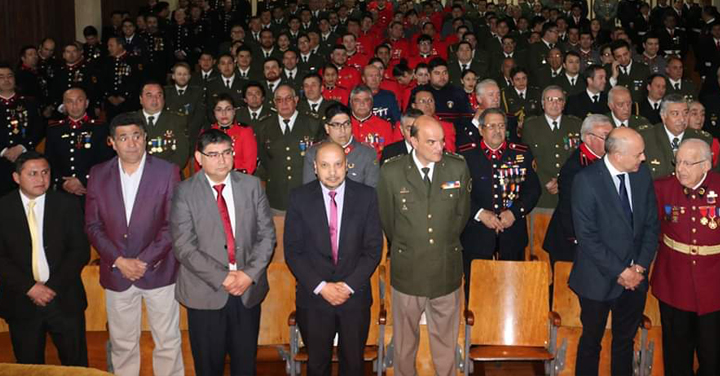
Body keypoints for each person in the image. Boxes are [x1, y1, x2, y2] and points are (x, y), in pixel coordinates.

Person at [85, 112, 184, 376]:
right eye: (123, 137)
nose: (131, 143)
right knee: (123, 344)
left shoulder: (167, 171)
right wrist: (119, 261)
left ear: (145, 139)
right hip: (117, 271)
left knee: (168, 341)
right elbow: (93, 226)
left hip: (159, 270)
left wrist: (143, 261)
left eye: (136, 136)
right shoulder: (97, 174)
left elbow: (173, 224)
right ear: (112, 142)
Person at [171, 129, 275, 376]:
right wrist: (224, 277)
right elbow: (184, 246)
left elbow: (267, 236)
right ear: (199, 157)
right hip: (205, 293)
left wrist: (248, 275)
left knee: (245, 365)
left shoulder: (251, 186)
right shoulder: (184, 192)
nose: (222, 159)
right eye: (214, 154)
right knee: (208, 367)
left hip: (247, 291)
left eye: (227, 152)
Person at [377, 115, 471, 376]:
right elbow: (388, 220)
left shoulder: (457, 168)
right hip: (408, 270)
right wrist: (410, 246)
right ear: (413, 140)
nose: (440, 147)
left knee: (446, 344)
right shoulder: (391, 172)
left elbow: (461, 216)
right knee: (405, 345)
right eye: (431, 142)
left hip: (446, 267)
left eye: (441, 141)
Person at [285, 141, 382, 376]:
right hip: (315, 298)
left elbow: (373, 249)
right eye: (325, 165)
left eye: (338, 164)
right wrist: (322, 287)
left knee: (354, 364)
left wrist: (347, 286)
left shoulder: (366, 196)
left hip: (354, 296)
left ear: (346, 166)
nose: (332, 171)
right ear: (315, 167)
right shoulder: (299, 198)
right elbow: (293, 252)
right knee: (317, 365)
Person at [569, 127, 659, 376]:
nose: (643, 158)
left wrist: (639, 267)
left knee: (625, 344)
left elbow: (652, 225)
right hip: (597, 279)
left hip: (635, 280)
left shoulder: (641, 176)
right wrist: (621, 271)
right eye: (638, 154)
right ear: (618, 155)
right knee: (591, 343)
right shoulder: (586, 180)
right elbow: (587, 237)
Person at [0, 151, 89, 366]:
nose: (41, 179)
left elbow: (80, 251)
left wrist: (52, 287)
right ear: (16, 178)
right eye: (32, 174)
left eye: (45, 172)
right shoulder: (3, 208)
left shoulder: (67, 205)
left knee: (76, 366)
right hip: (21, 302)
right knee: (29, 367)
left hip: (64, 299)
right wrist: (30, 287)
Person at [652, 139, 720, 376]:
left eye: (688, 163)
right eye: (678, 161)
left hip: (714, 287)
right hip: (673, 284)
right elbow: (649, 230)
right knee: (676, 356)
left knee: (713, 356)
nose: (680, 168)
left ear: (706, 165)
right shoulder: (662, 188)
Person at [459, 108, 540, 280]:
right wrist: (479, 214)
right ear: (481, 130)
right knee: (477, 290)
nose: (497, 130)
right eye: (491, 126)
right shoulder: (465, 156)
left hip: (512, 234)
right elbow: (458, 194)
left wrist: (515, 212)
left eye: (501, 126)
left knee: (513, 288)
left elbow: (533, 190)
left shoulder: (521, 152)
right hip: (477, 235)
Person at [544, 114, 614, 264]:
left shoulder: (608, 160)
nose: (611, 142)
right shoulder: (575, 169)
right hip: (571, 244)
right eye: (606, 137)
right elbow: (571, 211)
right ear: (588, 138)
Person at [256, 84, 322, 212]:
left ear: (296, 100)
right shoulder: (264, 126)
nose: (284, 103)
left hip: (306, 192)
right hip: (277, 195)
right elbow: (264, 158)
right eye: (279, 100)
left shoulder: (312, 123)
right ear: (274, 103)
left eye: (288, 98)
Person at [45, 88, 113, 196]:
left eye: (79, 100)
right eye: (69, 101)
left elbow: (106, 161)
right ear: (64, 105)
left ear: (86, 103)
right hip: (62, 191)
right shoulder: (54, 130)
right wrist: (62, 182)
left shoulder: (100, 128)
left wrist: (82, 180)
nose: (74, 105)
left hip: (92, 188)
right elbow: (49, 161)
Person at [303, 103, 379, 187]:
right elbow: (309, 191)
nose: (342, 130)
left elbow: (371, 192)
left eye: (346, 124)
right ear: (327, 128)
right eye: (336, 125)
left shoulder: (367, 153)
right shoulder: (314, 153)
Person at [639, 94, 713, 179]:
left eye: (685, 113)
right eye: (675, 114)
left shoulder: (701, 139)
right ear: (663, 116)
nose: (682, 119)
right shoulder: (646, 138)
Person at [0, 63, 45, 195]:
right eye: (1, 77)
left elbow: (39, 128)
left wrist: (22, 147)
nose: (6, 80)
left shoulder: (29, 102)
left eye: (9, 76)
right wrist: (3, 151)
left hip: (26, 158)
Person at [136, 82, 190, 169]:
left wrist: (164, 174)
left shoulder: (177, 120)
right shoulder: (131, 120)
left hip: (168, 174)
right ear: (141, 99)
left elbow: (182, 154)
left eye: (159, 95)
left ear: (164, 99)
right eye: (149, 95)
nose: (154, 99)